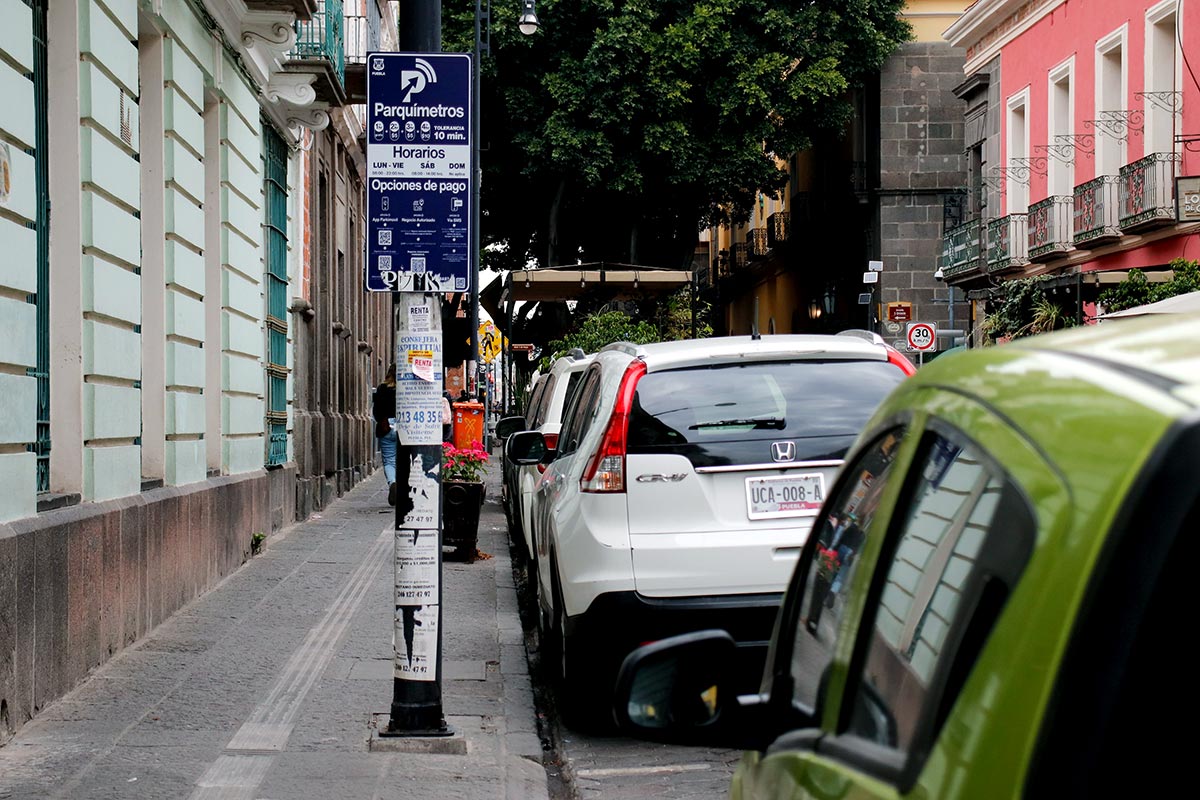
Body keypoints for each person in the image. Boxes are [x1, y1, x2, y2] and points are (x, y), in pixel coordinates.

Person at [373, 365, 398, 506]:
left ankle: (392, 482)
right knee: (404, 459)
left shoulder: (382, 388)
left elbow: (377, 411)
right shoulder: (406, 388)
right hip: (404, 426)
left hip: (386, 426)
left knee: (389, 461)